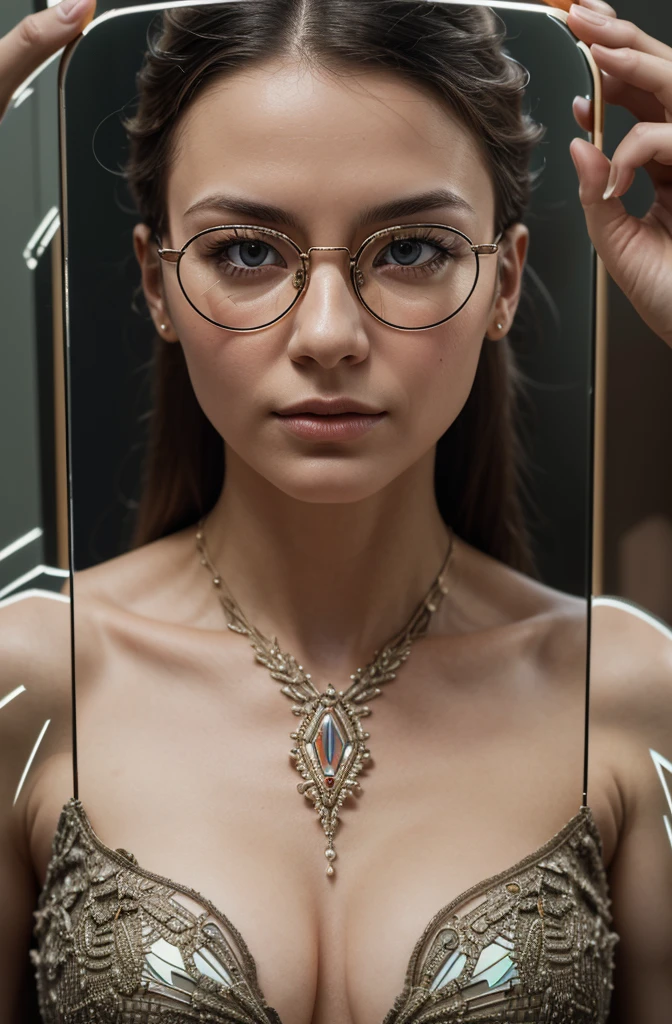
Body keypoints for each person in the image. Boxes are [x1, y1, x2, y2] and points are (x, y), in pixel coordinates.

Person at [0, 0, 670, 1021]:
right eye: (246, 251)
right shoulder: (30, 686)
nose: (327, 334)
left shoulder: (626, 695)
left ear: (505, 281)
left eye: (409, 251)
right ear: (155, 282)